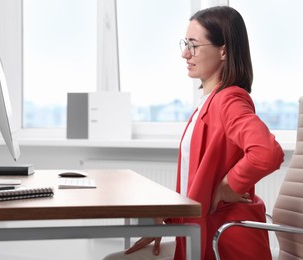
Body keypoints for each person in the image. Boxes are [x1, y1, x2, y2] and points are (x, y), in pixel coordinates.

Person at [105, 5, 284, 260]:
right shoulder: (209, 102)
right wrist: (165, 217)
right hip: (208, 232)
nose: (184, 54)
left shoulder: (229, 100)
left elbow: (267, 153)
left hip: (225, 241)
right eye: (184, 43)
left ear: (223, 50)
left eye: (194, 45)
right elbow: (197, 185)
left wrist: (228, 186)